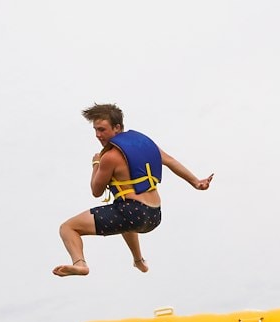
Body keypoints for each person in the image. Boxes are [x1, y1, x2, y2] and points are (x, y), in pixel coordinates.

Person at [52, 103, 213, 277]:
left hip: (133, 212)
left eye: (102, 129)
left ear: (117, 127)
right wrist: (196, 182)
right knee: (121, 211)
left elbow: (96, 191)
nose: (98, 135)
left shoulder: (110, 157)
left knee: (68, 228)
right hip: (154, 214)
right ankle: (138, 260)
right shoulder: (146, 145)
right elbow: (171, 161)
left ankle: (80, 263)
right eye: (95, 130)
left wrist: (96, 164)